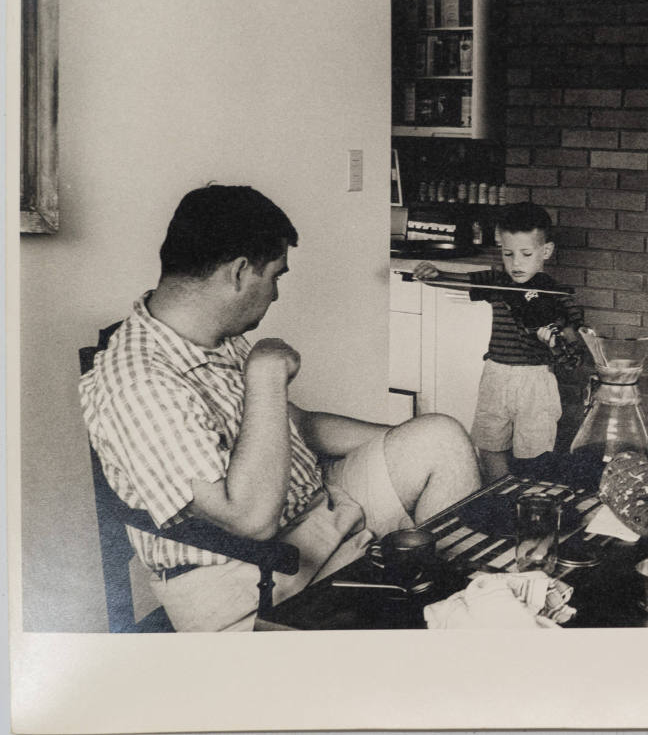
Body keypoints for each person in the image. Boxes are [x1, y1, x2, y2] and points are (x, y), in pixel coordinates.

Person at [79, 185, 481, 631]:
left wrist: (413, 443)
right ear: (238, 272)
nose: (275, 295)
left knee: (441, 437)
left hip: (324, 514)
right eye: (275, 276)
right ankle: (460, 621)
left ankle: (465, 606)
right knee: (441, 614)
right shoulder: (140, 383)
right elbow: (248, 522)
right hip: (252, 579)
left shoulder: (213, 334)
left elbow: (300, 427)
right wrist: (265, 375)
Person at [412, 202, 584, 482]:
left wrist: (554, 342)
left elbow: (573, 352)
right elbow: (459, 281)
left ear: (546, 252)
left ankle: (528, 504)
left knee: (535, 453)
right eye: (508, 254)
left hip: (534, 381)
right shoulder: (497, 281)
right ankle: (497, 500)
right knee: (490, 445)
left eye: (526, 254)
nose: (516, 264)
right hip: (495, 373)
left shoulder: (557, 295)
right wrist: (435, 276)